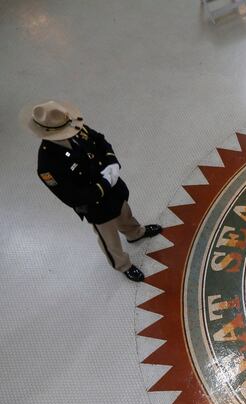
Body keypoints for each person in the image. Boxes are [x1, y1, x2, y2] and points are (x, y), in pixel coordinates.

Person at [22, 100, 162, 282]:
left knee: (125, 214)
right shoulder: (48, 165)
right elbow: (72, 197)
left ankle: (135, 233)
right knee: (109, 239)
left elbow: (100, 141)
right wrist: (104, 184)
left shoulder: (77, 129)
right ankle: (122, 265)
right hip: (95, 205)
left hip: (114, 190)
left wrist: (112, 162)